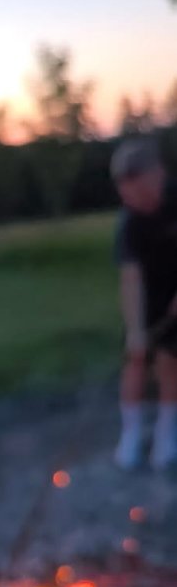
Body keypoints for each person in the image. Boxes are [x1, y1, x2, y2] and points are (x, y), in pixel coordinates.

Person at [112, 138, 177, 470]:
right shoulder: (129, 224)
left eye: (139, 192)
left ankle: (168, 431)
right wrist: (135, 331)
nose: (134, 200)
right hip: (148, 297)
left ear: (158, 176)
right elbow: (131, 278)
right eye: (127, 195)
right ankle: (131, 434)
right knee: (136, 358)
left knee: (170, 360)